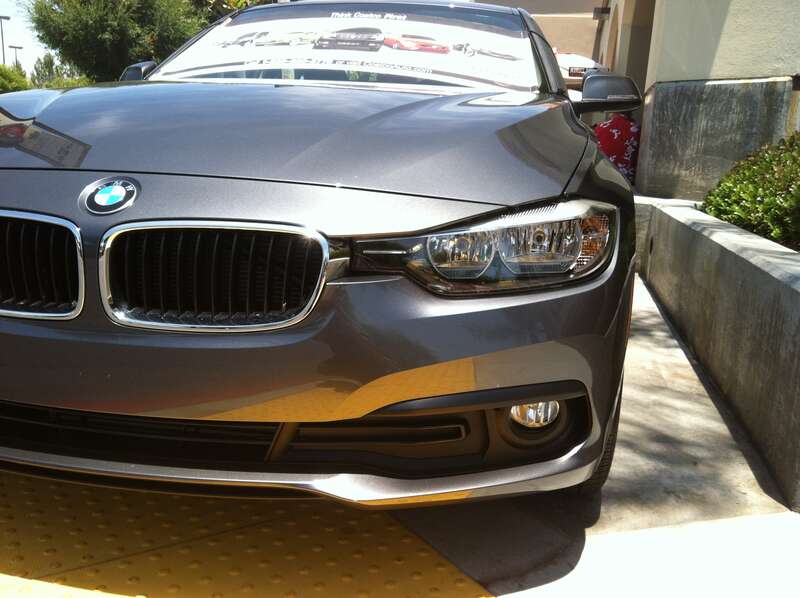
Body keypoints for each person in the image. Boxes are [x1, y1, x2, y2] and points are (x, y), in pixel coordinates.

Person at [593, 112, 640, 184]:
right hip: (625, 181)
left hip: (601, 176)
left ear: (612, 113)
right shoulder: (636, 129)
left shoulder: (599, 127)